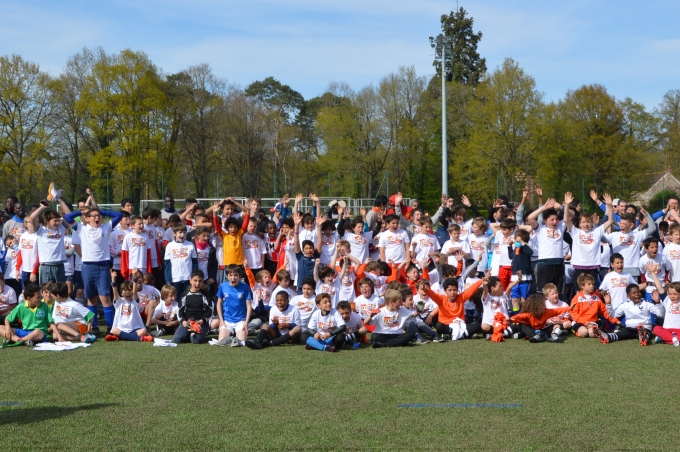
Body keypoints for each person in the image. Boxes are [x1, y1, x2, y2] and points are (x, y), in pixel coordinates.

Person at [65, 193, 124, 335]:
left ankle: (110, 327)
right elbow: (67, 218)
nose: (97, 218)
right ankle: (95, 326)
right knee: (91, 298)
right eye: (94, 216)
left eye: (99, 216)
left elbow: (119, 216)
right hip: (87, 266)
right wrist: (82, 212)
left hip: (103, 266)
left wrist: (101, 211)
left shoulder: (106, 227)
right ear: (87, 218)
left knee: (105, 297)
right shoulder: (81, 228)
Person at [567, 193, 615, 287]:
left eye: (588, 222)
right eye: (583, 222)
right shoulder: (576, 232)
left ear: (592, 223)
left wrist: (609, 206)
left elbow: (610, 221)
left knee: (591, 289)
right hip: (579, 265)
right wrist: (567, 205)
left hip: (593, 265)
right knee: (579, 290)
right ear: (580, 224)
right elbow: (566, 220)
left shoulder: (597, 232)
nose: (586, 224)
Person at [424, 275, 486, 340]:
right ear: (445, 291)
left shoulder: (461, 298)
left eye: (454, 290)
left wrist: (481, 281)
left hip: (460, 325)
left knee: (477, 326)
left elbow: (471, 289)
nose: (452, 292)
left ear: (457, 290)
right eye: (450, 290)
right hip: (446, 326)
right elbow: (432, 295)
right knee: (438, 326)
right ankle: (463, 335)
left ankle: (450, 336)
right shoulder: (441, 299)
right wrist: (425, 289)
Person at [27, 200, 70, 284]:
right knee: (47, 292)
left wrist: (59, 200)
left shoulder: (61, 229)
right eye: (55, 221)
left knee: (59, 292)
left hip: (59, 265)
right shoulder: (41, 231)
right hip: (46, 266)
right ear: (47, 221)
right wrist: (42, 207)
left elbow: (69, 214)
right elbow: (31, 218)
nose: (57, 223)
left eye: (58, 220)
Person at [570, 273, 620, 342]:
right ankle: (573, 330)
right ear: (582, 286)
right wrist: (586, 323)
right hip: (580, 322)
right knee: (584, 333)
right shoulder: (577, 298)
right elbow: (574, 314)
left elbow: (604, 311)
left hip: (592, 322)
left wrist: (615, 320)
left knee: (591, 333)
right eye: (589, 284)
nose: (592, 286)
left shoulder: (596, 298)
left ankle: (599, 329)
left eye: (593, 284)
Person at [215, 264, 252, 347]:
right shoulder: (223, 286)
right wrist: (221, 320)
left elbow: (249, 306)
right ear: (227, 276)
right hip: (227, 320)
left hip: (240, 320)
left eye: (236, 275)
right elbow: (218, 303)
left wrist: (246, 323)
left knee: (242, 340)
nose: (233, 278)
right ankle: (232, 338)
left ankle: (235, 338)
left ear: (239, 276)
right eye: (231, 275)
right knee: (221, 340)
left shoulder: (245, 287)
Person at [174, 270, 213, 344]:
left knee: (196, 340)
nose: (197, 283)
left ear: (202, 282)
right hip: (188, 321)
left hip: (200, 322)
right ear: (190, 280)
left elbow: (210, 311)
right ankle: (187, 333)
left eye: (200, 281)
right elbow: (179, 310)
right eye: (195, 280)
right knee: (177, 339)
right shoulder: (184, 295)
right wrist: (183, 321)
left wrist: (202, 321)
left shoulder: (205, 295)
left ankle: (196, 334)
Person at [163, 224, 198, 296]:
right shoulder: (170, 246)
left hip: (188, 278)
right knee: (177, 299)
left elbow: (195, 262)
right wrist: (168, 280)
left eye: (184, 233)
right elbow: (167, 264)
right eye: (180, 232)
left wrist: (194, 276)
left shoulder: (190, 245)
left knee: (188, 298)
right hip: (175, 279)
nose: (182, 235)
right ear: (174, 233)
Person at [291, 277, 317, 343]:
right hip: (295, 327)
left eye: (309, 289)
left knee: (303, 338)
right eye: (304, 288)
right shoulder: (295, 299)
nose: (306, 291)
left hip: (308, 329)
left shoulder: (317, 300)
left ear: (314, 290)